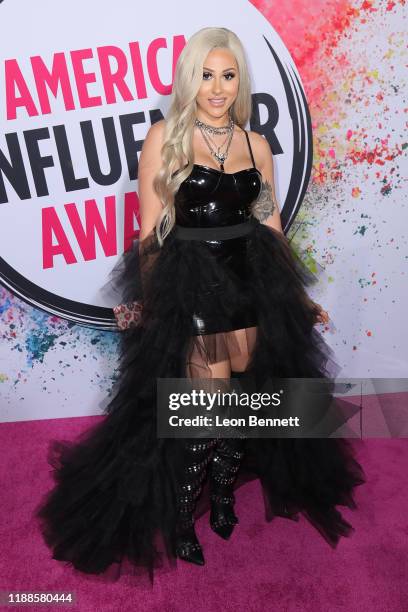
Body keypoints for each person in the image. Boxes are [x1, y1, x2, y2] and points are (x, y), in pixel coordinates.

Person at [35, 27, 365, 583]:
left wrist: (296, 298)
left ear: (241, 81)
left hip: (252, 285)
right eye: (206, 75)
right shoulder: (164, 139)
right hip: (191, 288)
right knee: (200, 413)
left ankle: (226, 497)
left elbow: (270, 223)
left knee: (242, 402)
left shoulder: (255, 144)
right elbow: (147, 230)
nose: (217, 87)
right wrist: (150, 298)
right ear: (191, 78)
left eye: (228, 75)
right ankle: (186, 517)